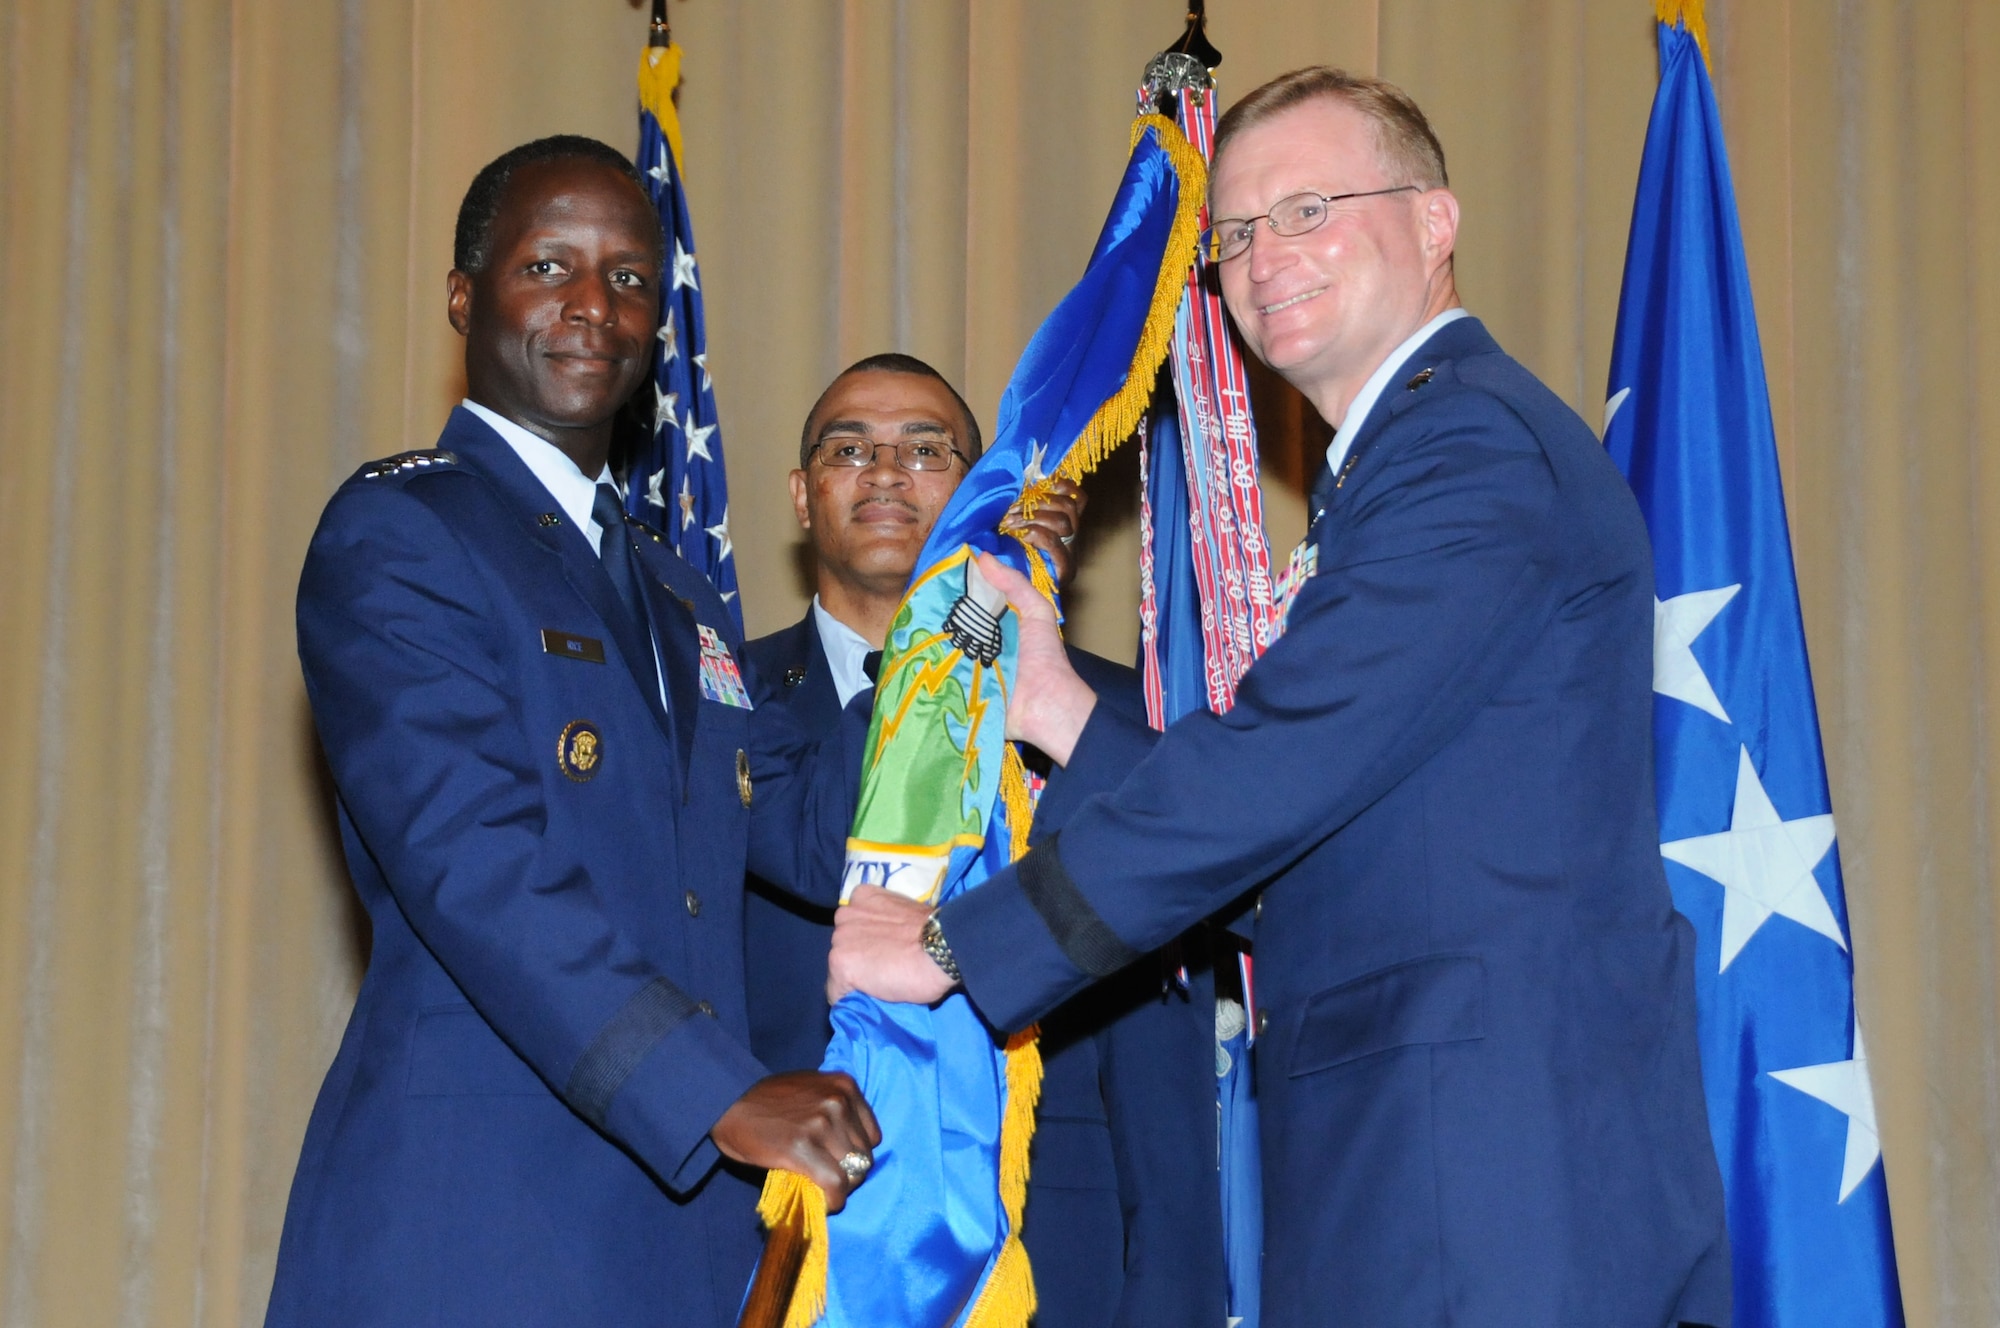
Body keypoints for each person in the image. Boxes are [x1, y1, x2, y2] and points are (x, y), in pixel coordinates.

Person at [829, 68, 1733, 1328]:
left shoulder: (1464, 451)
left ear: (1434, 222)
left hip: (1483, 1190)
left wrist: (948, 945)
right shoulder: (1416, 459)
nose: (1263, 257)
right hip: (1432, 1171)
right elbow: (1325, 830)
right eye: (1236, 234)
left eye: (1307, 208)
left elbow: (1275, 771)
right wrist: (1055, 707)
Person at [268, 136, 879, 1328]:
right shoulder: (401, 535)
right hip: (477, 1222)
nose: (594, 305)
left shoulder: (676, 592)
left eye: (630, 278)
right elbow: (475, 866)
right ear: (463, 296)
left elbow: (807, 831)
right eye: (548, 266)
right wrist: (716, 1089)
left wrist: (956, 612)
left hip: (685, 1237)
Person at [744, 354, 1225, 1327]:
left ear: (980, 490)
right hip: (779, 1251)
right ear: (801, 494)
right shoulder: (720, 705)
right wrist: (947, 638)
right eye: (850, 449)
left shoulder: (1094, 711)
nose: (886, 472)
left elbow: (1159, 1053)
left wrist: (1171, 1289)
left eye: (927, 450)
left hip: (1048, 1262)